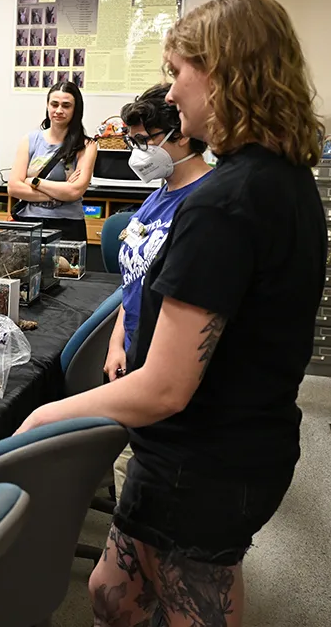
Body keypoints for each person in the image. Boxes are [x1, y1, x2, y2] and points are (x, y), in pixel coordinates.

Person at [17, 0, 326, 627]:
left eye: (178, 72)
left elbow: (163, 387)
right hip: (230, 441)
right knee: (111, 592)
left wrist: (46, 414)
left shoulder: (224, 202)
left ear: (222, 74)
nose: (174, 91)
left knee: (195, 605)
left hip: (204, 460)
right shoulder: (282, 178)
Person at [102, 85, 213, 497]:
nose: (138, 153)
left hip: (163, 369)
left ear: (180, 134)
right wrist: (117, 342)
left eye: (144, 141)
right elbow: (134, 281)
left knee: (142, 483)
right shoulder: (158, 195)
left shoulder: (204, 203)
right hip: (133, 355)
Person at [7, 80, 97, 241]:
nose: (59, 110)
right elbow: (14, 187)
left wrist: (33, 181)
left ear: (76, 109)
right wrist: (58, 194)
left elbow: (74, 191)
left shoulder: (86, 146)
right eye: (54, 104)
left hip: (68, 225)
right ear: (47, 106)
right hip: (29, 222)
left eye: (66, 106)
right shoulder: (30, 140)